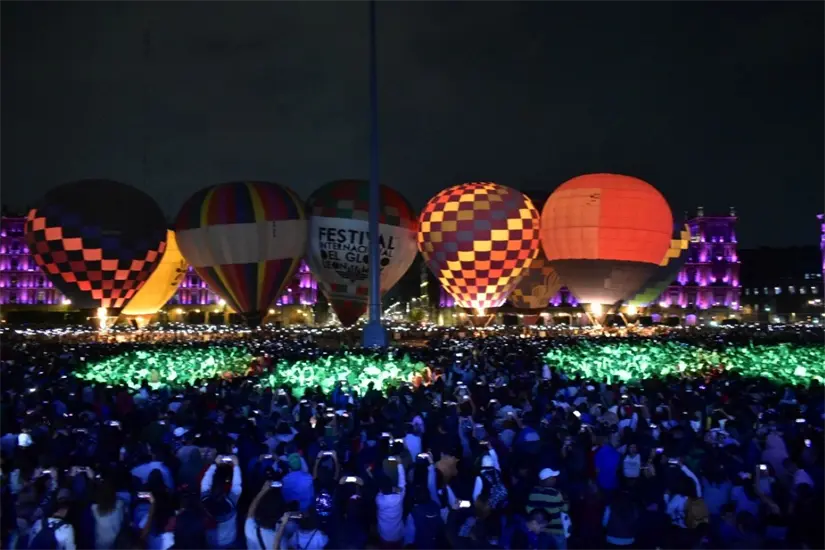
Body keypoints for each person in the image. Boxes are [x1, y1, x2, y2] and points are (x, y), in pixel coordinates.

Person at [200, 455, 242, 549]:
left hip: (209, 541)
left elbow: (204, 483)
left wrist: (214, 465)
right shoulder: (231, 501)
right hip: (229, 541)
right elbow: (237, 486)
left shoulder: (204, 500)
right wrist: (236, 465)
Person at [525, 468, 568, 550]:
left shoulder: (533, 492)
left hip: (540, 531)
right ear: (546, 480)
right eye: (552, 478)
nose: (555, 479)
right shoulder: (556, 494)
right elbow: (565, 509)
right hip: (556, 530)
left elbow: (528, 509)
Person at [376, 460, 406, 549]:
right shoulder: (399, 497)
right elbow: (402, 483)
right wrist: (400, 465)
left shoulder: (378, 499)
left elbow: (381, 492)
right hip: (398, 535)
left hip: (383, 534)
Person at [90, 481, 125, 550]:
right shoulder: (120, 504)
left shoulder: (94, 508)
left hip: (102, 541)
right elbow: (122, 520)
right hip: (116, 540)